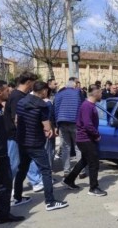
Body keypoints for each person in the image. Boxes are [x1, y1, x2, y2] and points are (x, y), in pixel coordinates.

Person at [15, 81, 68, 211]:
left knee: (21, 169)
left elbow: (16, 120)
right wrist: (48, 130)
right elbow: (47, 127)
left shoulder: (21, 101)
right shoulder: (41, 105)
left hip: (22, 141)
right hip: (35, 143)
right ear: (44, 91)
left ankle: (17, 197)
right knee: (46, 171)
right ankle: (50, 201)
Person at [0, 78, 25, 224]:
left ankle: (4, 215)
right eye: (6, 90)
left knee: (5, 186)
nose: (9, 92)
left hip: (3, 155)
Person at [63, 84, 107, 196]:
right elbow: (87, 124)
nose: (102, 94)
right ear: (96, 92)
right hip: (85, 139)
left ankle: (69, 180)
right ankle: (93, 188)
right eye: (100, 92)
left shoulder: (90, 105)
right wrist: (96, 135)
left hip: (85, 138)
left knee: (84, 160)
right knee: (94, 163)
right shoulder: (87, 106)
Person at [4, 72, 44, 192]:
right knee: (13, 163)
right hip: (14, 135)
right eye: (33, 83)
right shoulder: (17, 97)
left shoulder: (19, 95)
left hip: (19, 135)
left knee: (24, 161)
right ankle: (6, 187)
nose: (34, 86)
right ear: (28, 82)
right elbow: (17, 119)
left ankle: (34, 181)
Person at [54, 77, 84, 178]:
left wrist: (56, 125)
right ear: (74, 85)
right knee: (78, 147)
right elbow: (82, 107)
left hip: (62, 122)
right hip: (75, 122)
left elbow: (56, 109)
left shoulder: (59, 93)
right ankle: (81, 171)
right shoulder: (78, 93)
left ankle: (66, 171)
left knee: (65, 147)